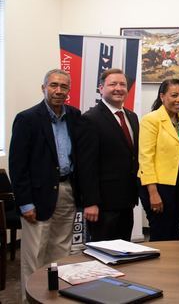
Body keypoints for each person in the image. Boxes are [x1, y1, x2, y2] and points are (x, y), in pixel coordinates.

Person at [9, 69, 82, 300]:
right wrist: (25, 203)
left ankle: (54, 298)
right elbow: (17, 165)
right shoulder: (27, 118)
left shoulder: (74, 115)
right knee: (35, 256)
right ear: (43, 88)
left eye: (64, 87)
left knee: (61, 253)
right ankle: (30, 300)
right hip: (37, 198)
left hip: (67, 191)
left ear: (69, 90)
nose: (59, 91)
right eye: (53, 85)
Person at [78, 68, 139, 241]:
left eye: (123, 84)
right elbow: (86, 165)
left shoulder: (132, 117)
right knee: (103, 255)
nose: (118, 88)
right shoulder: (90, 119)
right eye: (112, 84)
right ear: (101, 88)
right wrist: (90, 202)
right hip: (103, 204)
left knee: (125, 250)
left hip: (126, 200)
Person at [139, 79, 179, 241]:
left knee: (176, 230)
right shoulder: (151, 119)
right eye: (174, 95)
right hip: (157, 184)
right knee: (161, 232)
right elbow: (145, 157)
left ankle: (173, 266)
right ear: (162, 96)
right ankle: (158, 266)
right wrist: (153, 193)